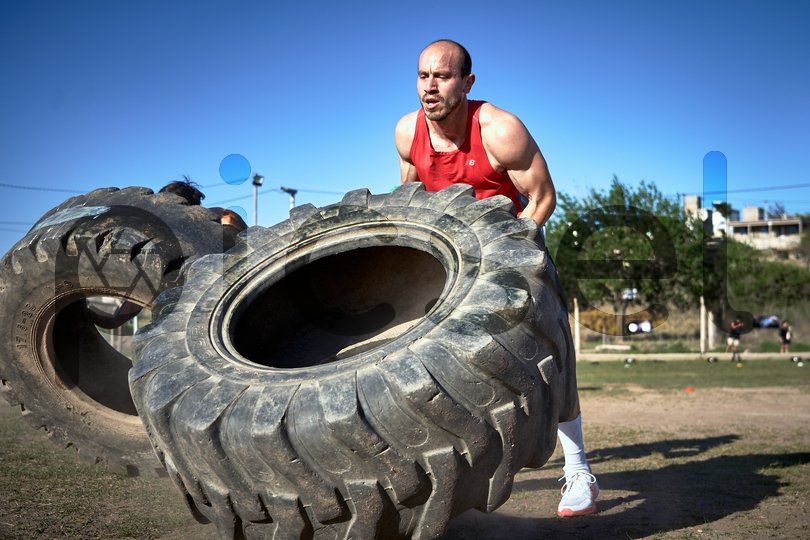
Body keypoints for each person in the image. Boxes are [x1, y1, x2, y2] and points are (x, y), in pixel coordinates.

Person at [395, 39, 598, 518]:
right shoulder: (407, 132)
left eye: (442, 76)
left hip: (513, 249)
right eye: (423, 76)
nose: (430, 86)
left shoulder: (501, 130)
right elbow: (408, 198)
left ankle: (578, 470)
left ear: (467, 82)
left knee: (552, 356)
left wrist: (509, 259)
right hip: (449, 262)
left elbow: (542, 198)